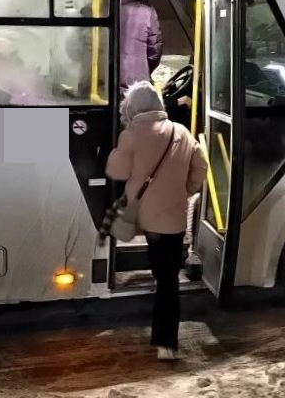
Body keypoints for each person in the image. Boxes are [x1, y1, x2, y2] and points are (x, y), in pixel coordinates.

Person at [106, 81, 207, 361]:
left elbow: (116, 171)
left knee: (160, 270)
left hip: (145, 217)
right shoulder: (181, 131)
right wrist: (184, 191)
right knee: (168, 282)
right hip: (173, 219)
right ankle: (167, 344)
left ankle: (161, 336)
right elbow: (201, 167)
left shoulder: (131, 135)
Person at [120, 0, 163, 89]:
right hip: (136, 84)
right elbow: (155, 50)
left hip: (100, 84)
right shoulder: (146, 10)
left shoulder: (95, 10)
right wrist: (143, 69)